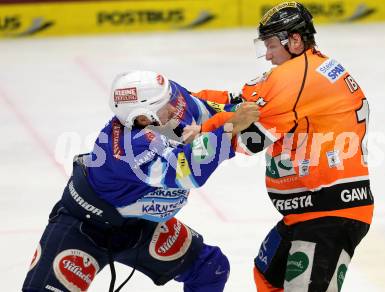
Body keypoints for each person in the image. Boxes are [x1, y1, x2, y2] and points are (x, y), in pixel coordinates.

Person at [191, 2, 374, 291]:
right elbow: (239, 102)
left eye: (272, 44)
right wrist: (184, 98)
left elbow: (251, 139)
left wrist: (201, 131)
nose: (267, 54)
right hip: (309, 209)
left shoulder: (297, 76)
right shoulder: (304, 69)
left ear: (296, 40)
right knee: (266, 276)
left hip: (329, 213)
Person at [22, 70, 259, 292]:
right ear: (143, 117)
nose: (177, 107)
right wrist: (230, 128)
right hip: (84, 229)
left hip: (138, 226)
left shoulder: (164, 101)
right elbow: (188, 172)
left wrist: (262, 107)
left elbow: (210, 107)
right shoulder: (129, 149)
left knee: (209, 268)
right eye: (168, 105)